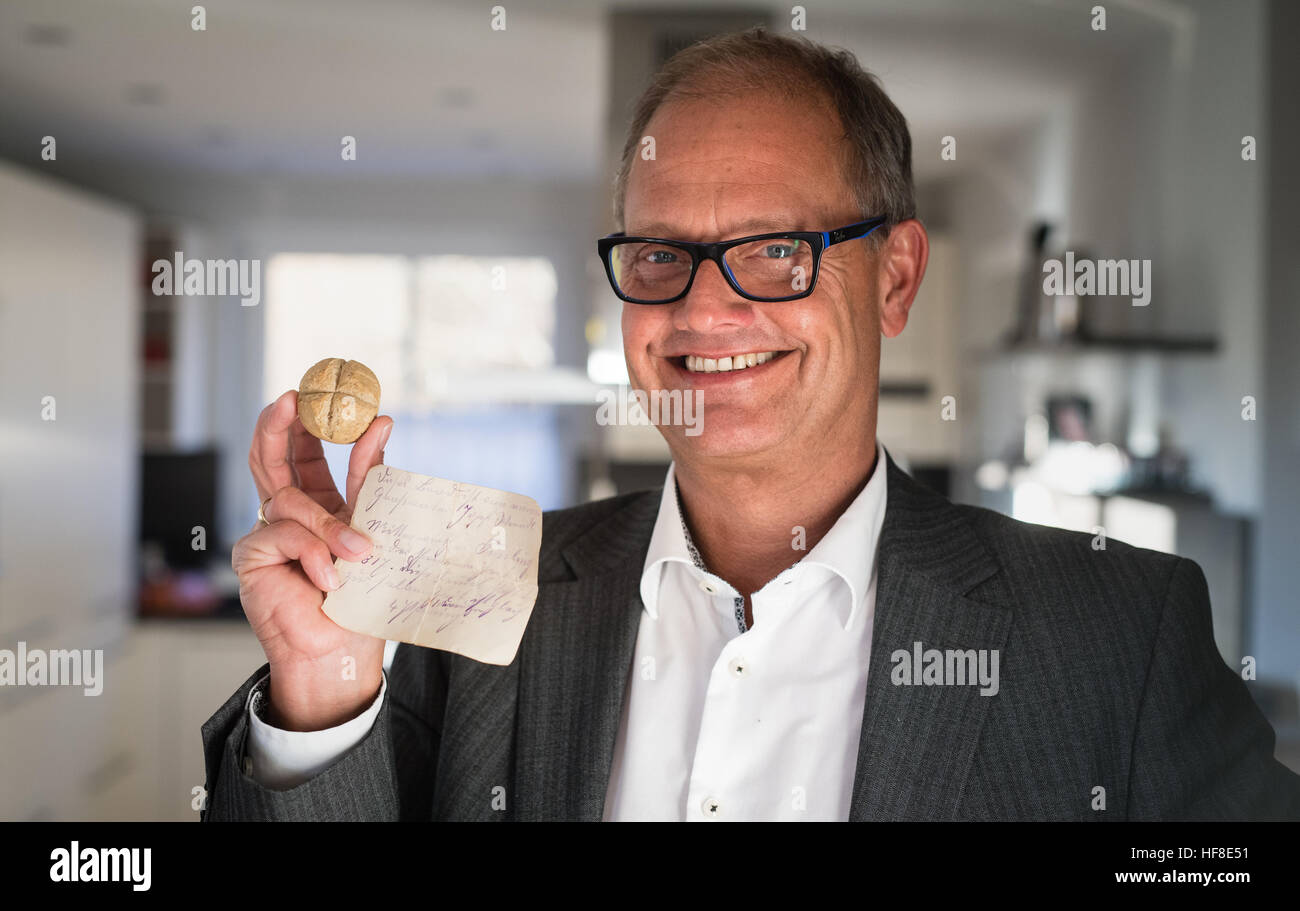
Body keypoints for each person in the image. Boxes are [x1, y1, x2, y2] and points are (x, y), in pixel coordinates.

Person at [202, 27, 1300, 821]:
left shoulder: (1116, 627)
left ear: (895, 278)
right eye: (658, 252)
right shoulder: (492, 589)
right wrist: (323, 690)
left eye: (779, 248)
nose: (703, 308)